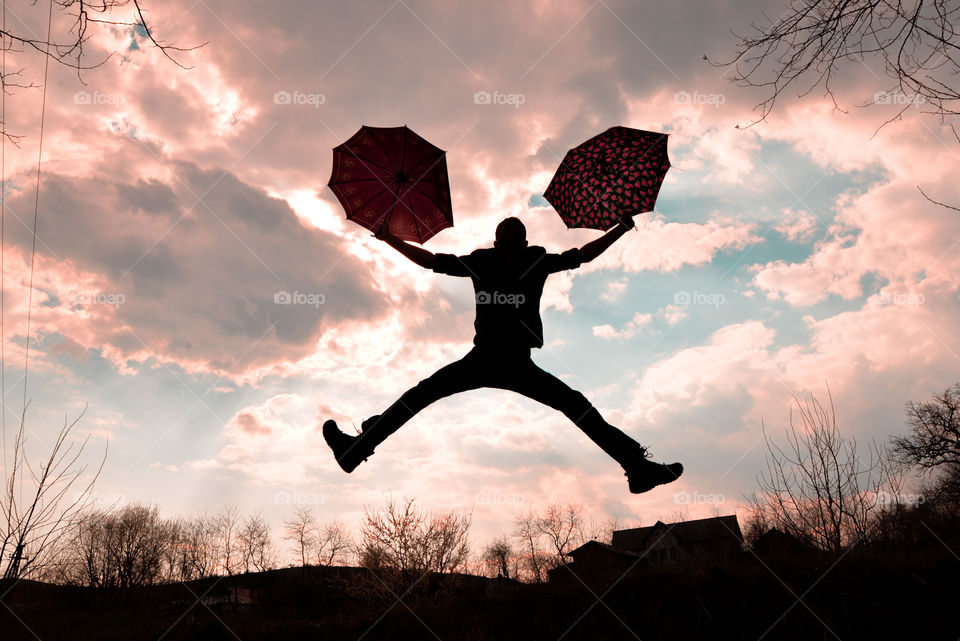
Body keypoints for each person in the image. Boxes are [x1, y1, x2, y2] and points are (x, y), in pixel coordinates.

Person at [322, 214, 683, 494]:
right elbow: (432, 261)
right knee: (420, 394)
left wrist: (619, 230)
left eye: (516, 242)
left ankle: (637, 468)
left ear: (525, 243)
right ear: (496, 243)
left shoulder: (537, 260)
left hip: (518, 362)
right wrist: (389, 238)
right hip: (483, 357)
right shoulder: (482, 262)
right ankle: (355, 450)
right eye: (505, 242)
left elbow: (580, 257)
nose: (510, 247)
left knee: (576, 406)